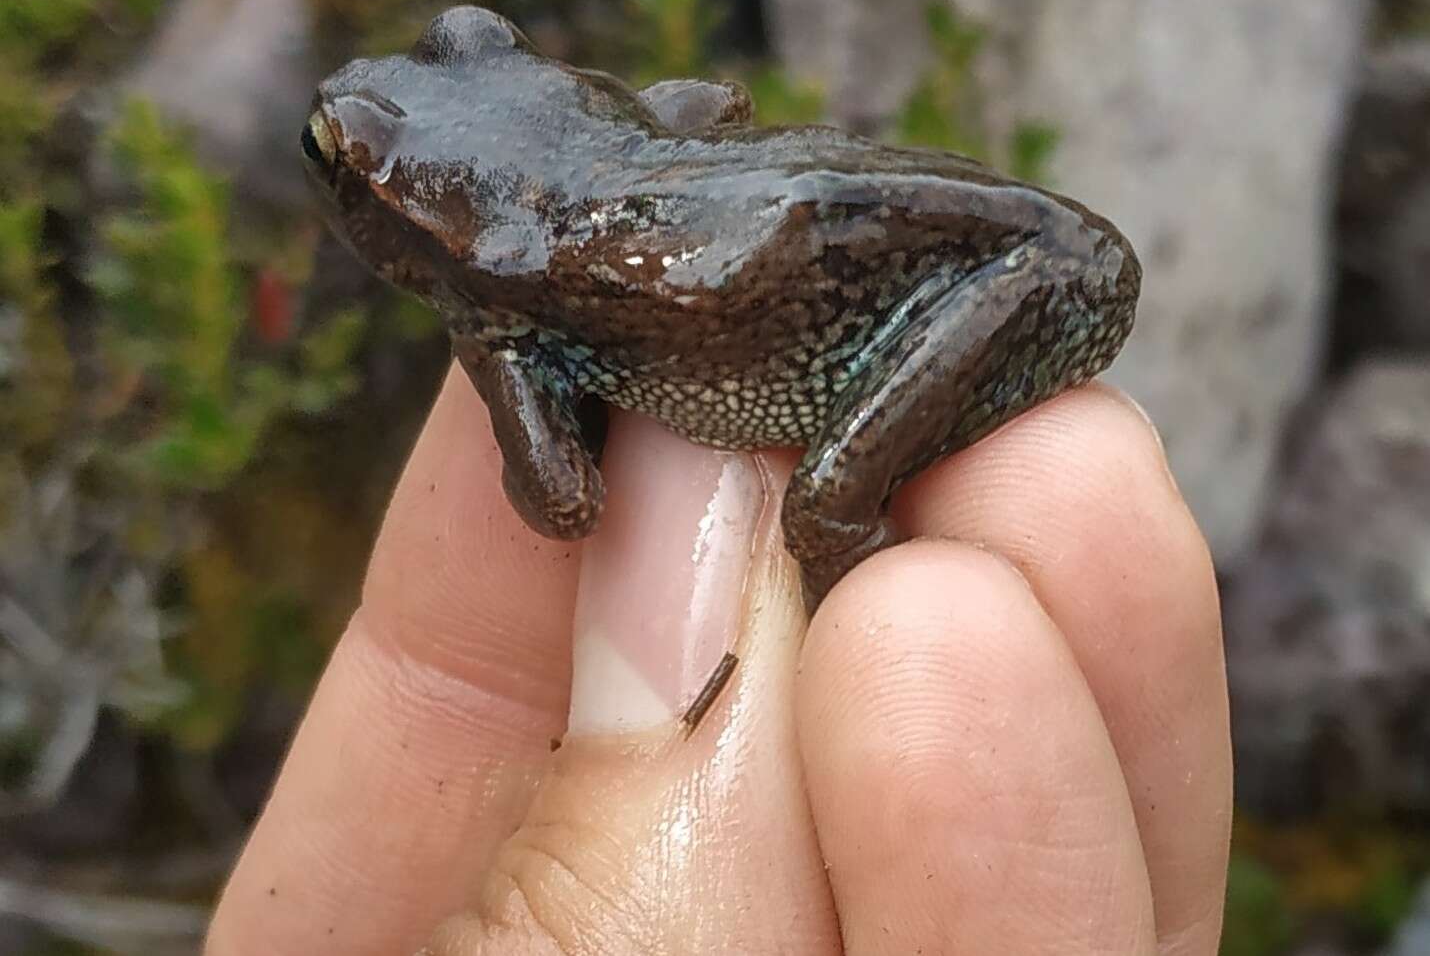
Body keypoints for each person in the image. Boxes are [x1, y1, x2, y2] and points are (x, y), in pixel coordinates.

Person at [206, 366, 1231, 954]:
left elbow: (566, 501)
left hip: (883, 300)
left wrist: (512, 361)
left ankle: (839, 599)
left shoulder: (508, 312)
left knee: (833, 512)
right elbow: (713, 108)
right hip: (842, 250)